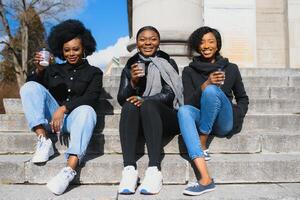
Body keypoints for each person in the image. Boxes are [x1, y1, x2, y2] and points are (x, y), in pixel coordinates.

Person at [19, 19, 103, 195]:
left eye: (76, 49)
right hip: (51, 120)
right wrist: (39, 70)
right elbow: (34, 90)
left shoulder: (94, 72)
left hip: (74, 119)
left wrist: (64, 108)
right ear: (61, 51)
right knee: (29, 86)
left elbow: (92, 98)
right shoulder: (52, 69)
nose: (71, 53)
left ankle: (69, 170)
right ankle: (43, 140)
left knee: (88, 110)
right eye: (66, 50)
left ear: (84, 49)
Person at [177, 26, 249, 196]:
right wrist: (206, 83)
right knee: (183, 111)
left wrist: (237, 113)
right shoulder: (189, 71)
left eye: (211, 41)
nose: (206, 46)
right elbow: (189, 102)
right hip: (203, 117)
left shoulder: (231, 68)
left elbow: (243, 98)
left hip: (224, 121)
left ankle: (202, 143)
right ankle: (205, 179)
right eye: (202, 42)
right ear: (197, 46)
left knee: (212, 92)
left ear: (217, 45)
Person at [117, 26, 183, 195]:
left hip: (165, 116)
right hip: (140, 120)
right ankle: (129, 170)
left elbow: (170, 95)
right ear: (137, 43)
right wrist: (132, 82)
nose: (148, 42)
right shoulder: (130, 65)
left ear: (158, 42)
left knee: (148, 104)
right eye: (143, 39)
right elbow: (121, 98)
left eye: (152, 39)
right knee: (129, 105)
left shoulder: (167, 62)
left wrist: (144, 99)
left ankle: (154, 169)